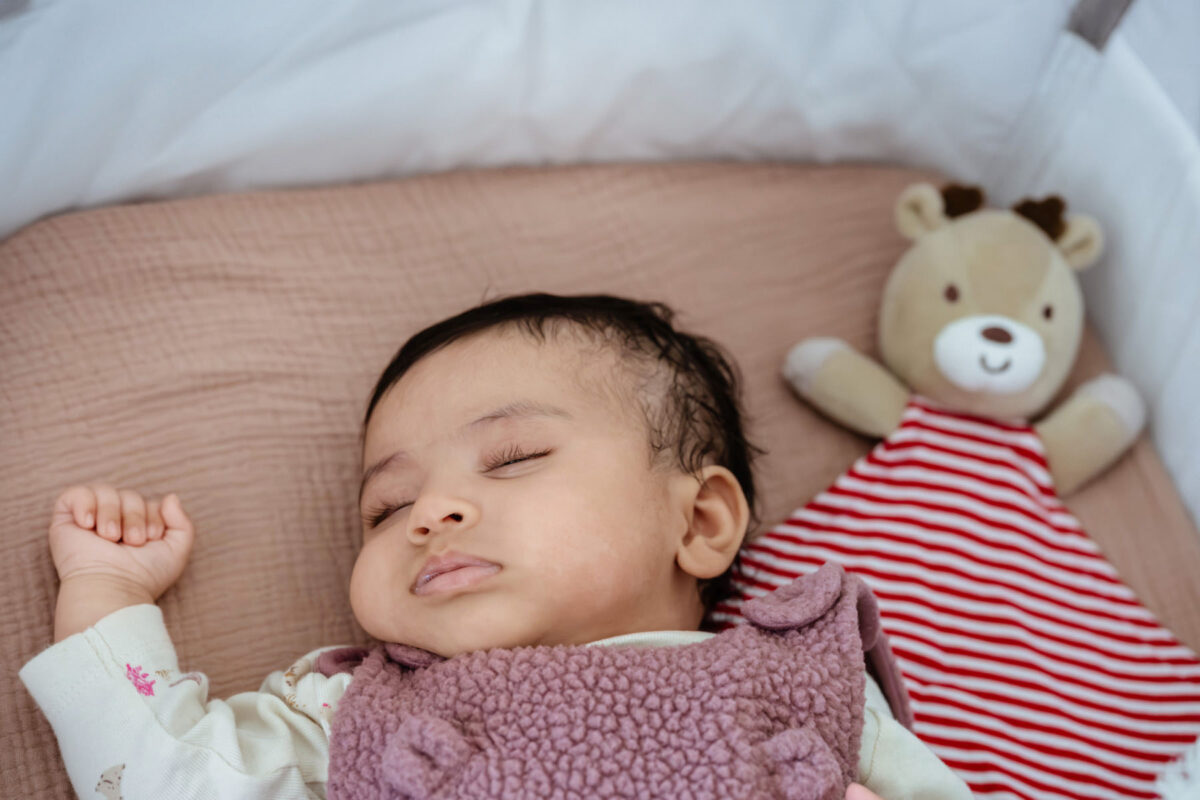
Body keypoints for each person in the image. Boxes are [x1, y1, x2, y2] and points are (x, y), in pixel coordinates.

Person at [21, 293, 971, 799]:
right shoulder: (357, 710)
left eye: (511, 458)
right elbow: (160, 778)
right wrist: (107, 587)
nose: (430, 512)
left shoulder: (802, 688)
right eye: (386, 507)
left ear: (699, 522)